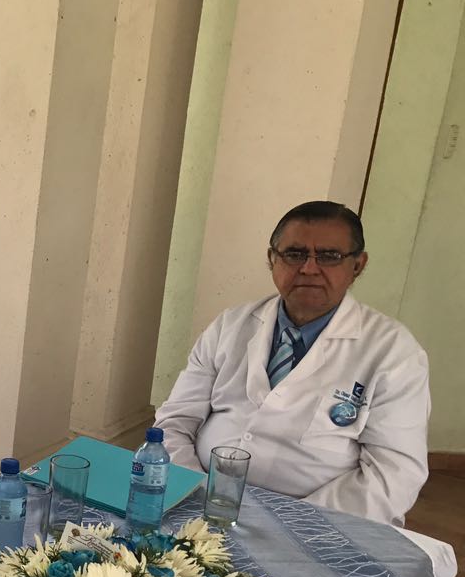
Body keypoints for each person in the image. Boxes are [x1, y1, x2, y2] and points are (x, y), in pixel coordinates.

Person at [154, 200, 430, 526]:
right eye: (294, 254)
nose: (309, 269)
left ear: (357, 265)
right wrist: (196, 492)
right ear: (272, 259)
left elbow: (394, 474)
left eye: (329, 256)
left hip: (319, 523)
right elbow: (174, 422)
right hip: (200, 500)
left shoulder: (393, 352)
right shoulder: (230, 326)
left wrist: (287, 522)